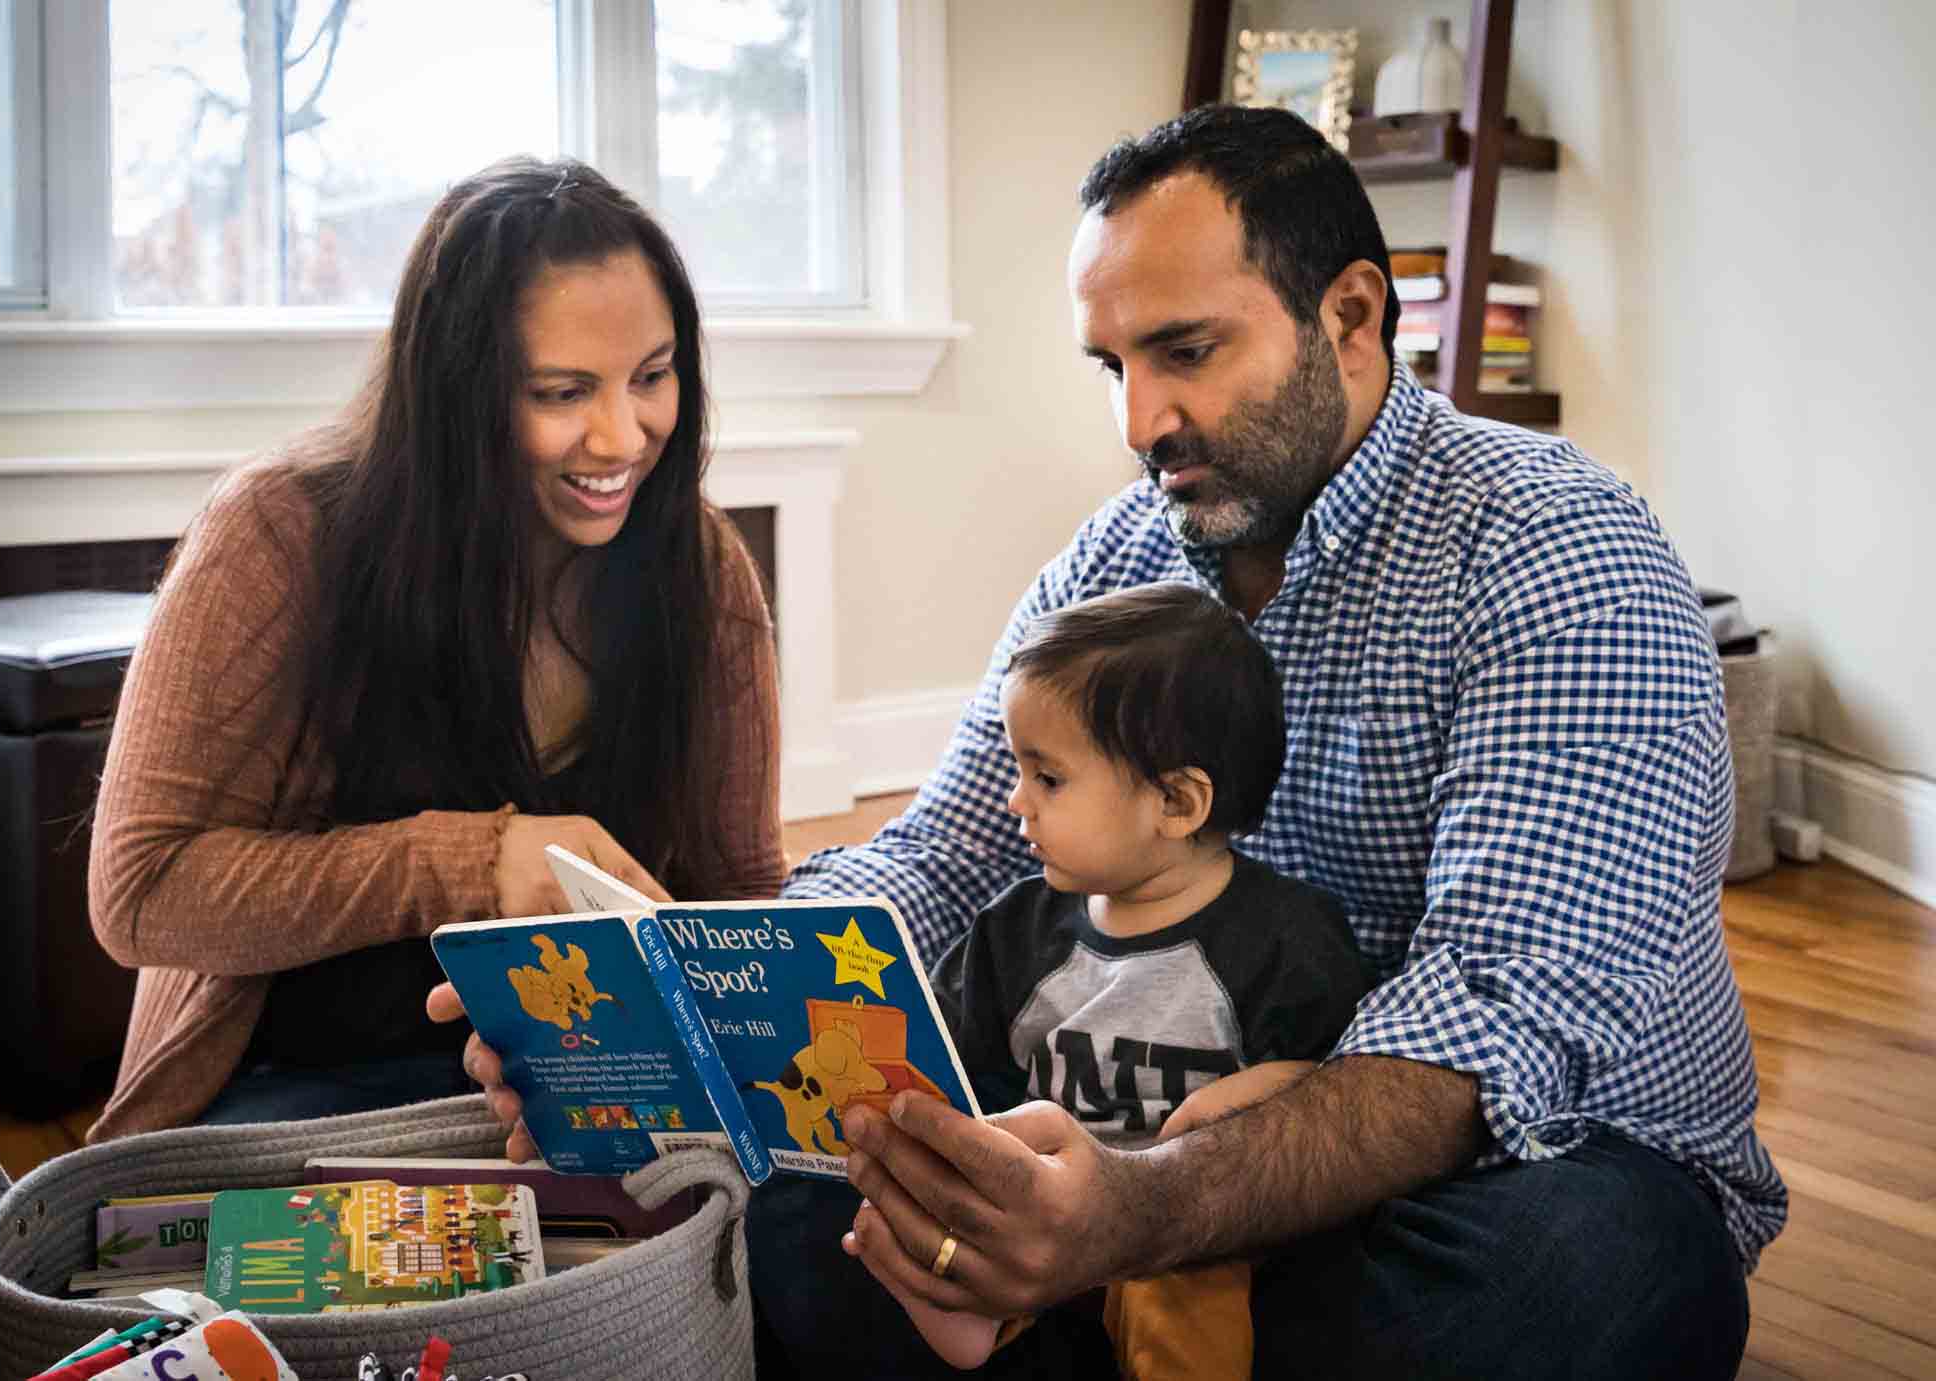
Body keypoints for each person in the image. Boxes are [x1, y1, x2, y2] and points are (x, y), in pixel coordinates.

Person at [453, 105, 1785, 1378]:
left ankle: (1091, 1321)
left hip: (1519, 1162)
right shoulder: (1118, 561)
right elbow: (946, 860)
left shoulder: (1557, 553)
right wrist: (680, 994)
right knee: (805, 1195)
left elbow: (1492, 1028)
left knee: (1580, 1276)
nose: (1141, 422)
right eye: (1115, 368)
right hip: (1136, 1134)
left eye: (1186, 351)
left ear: (1354, 317)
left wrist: (1133, 1215)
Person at [86, 157, 785, 1144]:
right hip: (301, 1083)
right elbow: (142, 894)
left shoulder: (700, 566)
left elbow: (736, 886)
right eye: (560, 391)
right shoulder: (276, 533)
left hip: (591, 1082)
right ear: (454, 390)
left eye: (652, 377)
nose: (623, 435)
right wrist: (477, 859)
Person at [880, 582, 1371, 1377]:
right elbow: (956, 1058)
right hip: (1035, 1224)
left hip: (1184, 1245)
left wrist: (1240, 1100)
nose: (1016, 801)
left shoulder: (1287, 943)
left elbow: (1339, 1086)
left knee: (1187, 1294)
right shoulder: (1016, 932)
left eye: (1049, 777)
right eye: (1019, 769)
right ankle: (978, 1327)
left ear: (1175, 802)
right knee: (892, 1217)